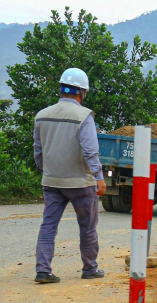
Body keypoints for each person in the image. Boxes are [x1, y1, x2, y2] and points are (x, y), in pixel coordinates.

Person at [32, 67, 106, 283]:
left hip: (52, 181)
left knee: (48, 225)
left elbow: (38, 150)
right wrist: (99, 177)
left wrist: (46, 170)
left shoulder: (42, 115)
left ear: (61, 89)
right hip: (81, 183)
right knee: (88, 226)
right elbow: (90, 151)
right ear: (82, 92)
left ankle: (43, 270)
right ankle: (89, 268)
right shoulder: (84, 116)